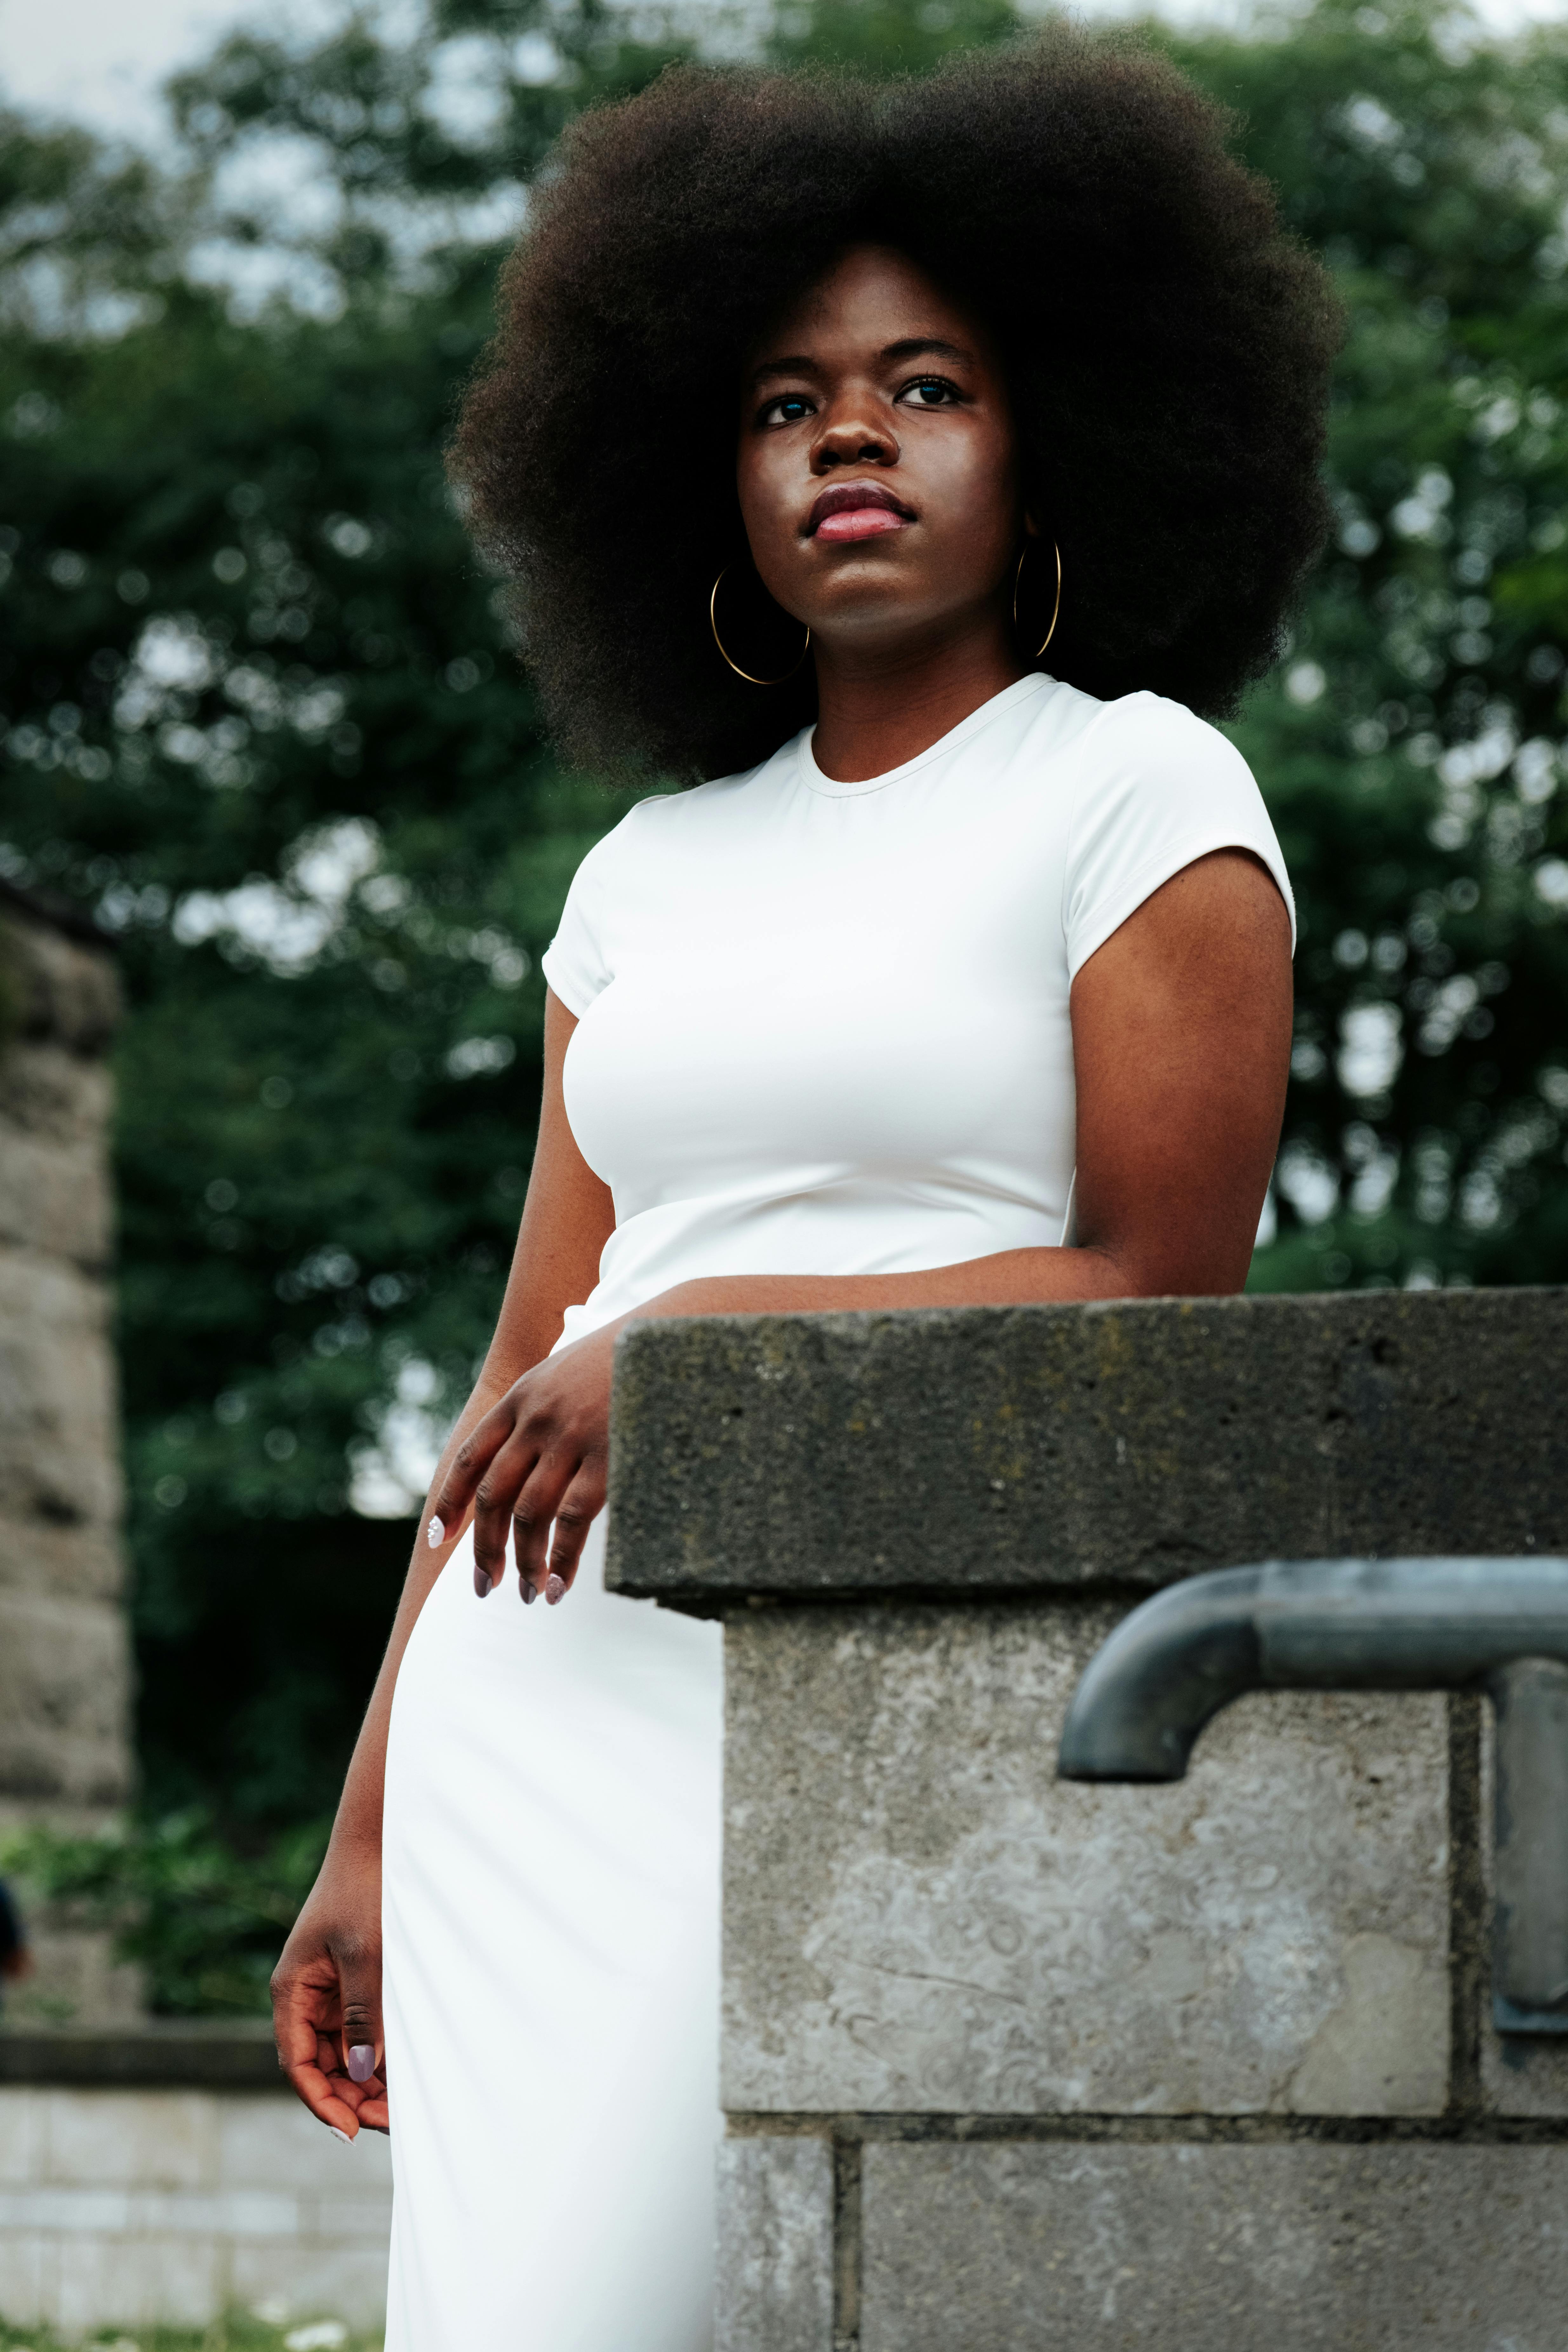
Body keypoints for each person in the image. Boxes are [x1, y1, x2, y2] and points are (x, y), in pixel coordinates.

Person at [270, 28, 1338, 2350]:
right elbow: (511, 1374)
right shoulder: (644, 872)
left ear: (1049, 433)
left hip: (860, 1706)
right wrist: (363, 1830)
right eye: (782, 403)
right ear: (703, 485)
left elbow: (1160, 1291)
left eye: (923, 383)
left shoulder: (1136, 794)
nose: (850, 435)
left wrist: (713, 1342)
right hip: (523, 1729)